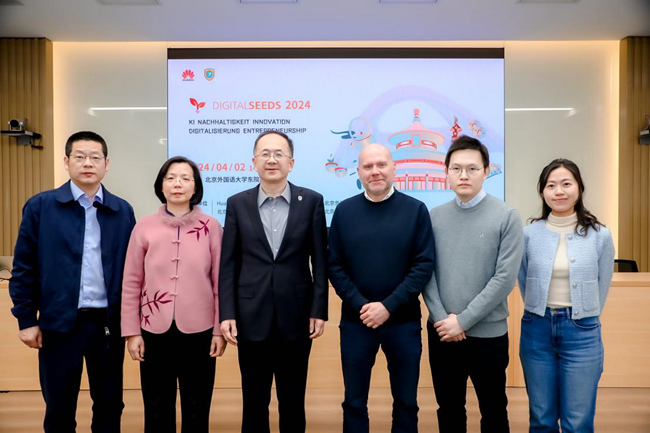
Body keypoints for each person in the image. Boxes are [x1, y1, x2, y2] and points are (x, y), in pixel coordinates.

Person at [9, 131, 135, 433]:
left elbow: (132, 273)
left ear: (106, 164)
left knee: (109, 405)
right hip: (59, 323)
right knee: (59, 406)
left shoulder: (122, 210)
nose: (87, 163)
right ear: (66, 162)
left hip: (107, 325)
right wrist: (26, 319)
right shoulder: (41, 206)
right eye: (80, 157)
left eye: (94, 157)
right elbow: (24, 267)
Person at [219, 130, 328, 433]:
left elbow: (320, 261)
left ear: (291, 163)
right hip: (249, 315)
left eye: (279, 154)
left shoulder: (312, 201)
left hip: (297, 316)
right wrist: (227, 313)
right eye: (265, 153)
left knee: (292, 400)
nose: (271, 159)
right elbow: (228, 263)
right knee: (254, 401)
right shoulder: (237, 203)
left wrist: (319, 309)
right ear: (253, 161)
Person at [328, 144, 435, 433]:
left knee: (406, 402)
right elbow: (335, 266)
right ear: (358, 172)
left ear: (394, 168)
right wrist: (362, 305)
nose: (375, 171)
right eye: (368, 166)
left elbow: (423, 265)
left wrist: (388, 306)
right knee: (353, 402)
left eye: (381, 165)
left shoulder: (416, 210)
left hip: (403, 322)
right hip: (357, 322)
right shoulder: (344, 211)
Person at [423, 135, 523, 433]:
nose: (463, 175)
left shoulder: (507, 216)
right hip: (443, 332)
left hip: (488, 334)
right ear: (446, 172)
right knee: (449, 408)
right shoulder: (434, 216)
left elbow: (504, 279)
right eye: (456, 168)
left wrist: (462, 321)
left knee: (493, 410)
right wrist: (442, 319)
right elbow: (426, 272)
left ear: (487, 171)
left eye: (472, 168)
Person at [121, 156, 225, 433]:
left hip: (201, 331)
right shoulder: (144, 226)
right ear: (161, 185)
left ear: (195, 187)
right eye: (171, 178)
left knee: (197, 407)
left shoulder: (211, 226)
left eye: (185, 178)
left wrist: (218, 330)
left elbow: (220, 282)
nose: (177, 184)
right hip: (153, 331)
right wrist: (132, 332)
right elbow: (131, 282)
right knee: (156, 409)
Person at [518, 158, 615, 433]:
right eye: (551, 185)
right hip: (536, 329)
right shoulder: (528, 234)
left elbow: (603, 283)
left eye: (566, 184)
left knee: (578, 421)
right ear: (542, 192)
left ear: (579, 188)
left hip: (582, 332)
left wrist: (585, 313)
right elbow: (523, 279)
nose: (558, 191)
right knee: (541, 419)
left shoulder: (600, 235)